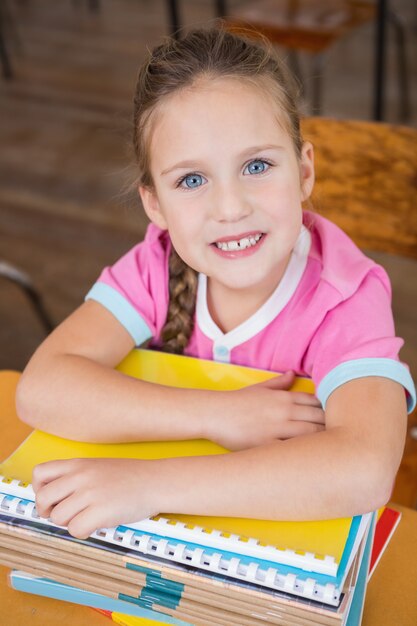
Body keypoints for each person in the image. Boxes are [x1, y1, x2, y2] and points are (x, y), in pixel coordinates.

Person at [16, 27, 415, 540]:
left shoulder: (345, 295)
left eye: (256, 165)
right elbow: (43, 388)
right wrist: (219, 415)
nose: (230, 208)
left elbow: (365, 468)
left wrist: (148, 485)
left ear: (305, 171)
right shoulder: (156, 266)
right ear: (154, 205)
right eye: (191, 180)